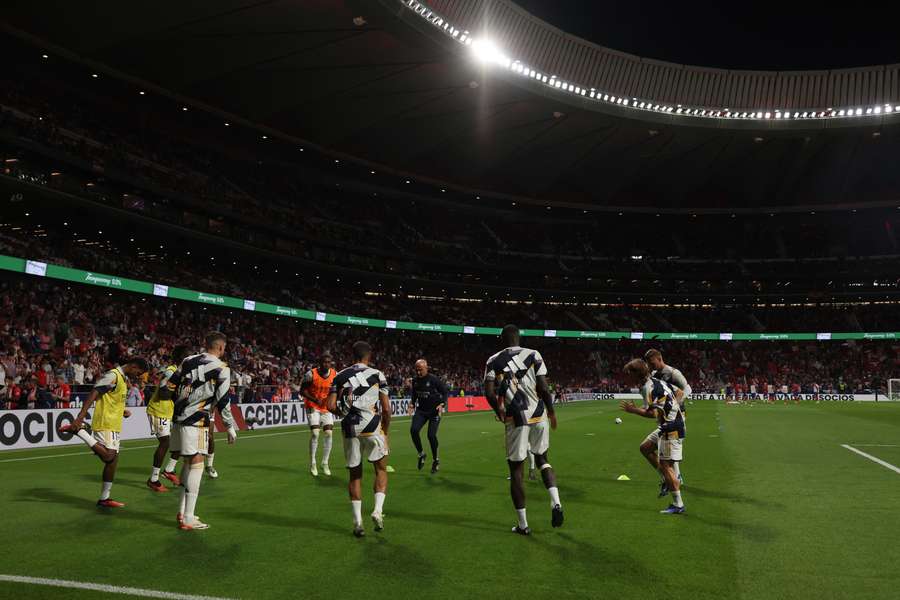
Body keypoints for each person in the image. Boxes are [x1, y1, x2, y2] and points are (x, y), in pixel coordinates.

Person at [483, 324, 563, 535]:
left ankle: (523, 525)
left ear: (502, 339)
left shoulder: (493, 360)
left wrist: (499, 410)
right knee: (543, 459)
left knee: (516, 470)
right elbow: (544, 388)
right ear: (519, 338)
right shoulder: (534, 354)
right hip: (539, 414)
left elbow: (489, 393)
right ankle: (555, 502)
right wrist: (552, 412)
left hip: (516, 418)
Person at [58, 357, 150, 508]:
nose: (138, 376)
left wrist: (122, 411)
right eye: (138, 372)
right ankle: (80, 431)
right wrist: (80, 417)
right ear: (133, 366)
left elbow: (111, 400)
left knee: (113, 462)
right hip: (105, 423)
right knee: (109, 456)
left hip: (113, 424)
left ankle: (104, 498)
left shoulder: (121, 378)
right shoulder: (113, 375)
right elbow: (95, 391)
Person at [169, 332, 237, 531]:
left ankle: (182, 512)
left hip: (178, 419)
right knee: (197, 464)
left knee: (188, 464)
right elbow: (223, 401)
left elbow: (169, 386)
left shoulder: (187, 360)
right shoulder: (222, 369)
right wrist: (230, 426)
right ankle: (188, 517)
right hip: (197, 421)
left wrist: (181, 404)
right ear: (221, 348)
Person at [326, 341, 391, 538]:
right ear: (368, 355)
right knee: (380, 469)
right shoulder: (378, 374)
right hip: (372, 427)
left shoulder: (339, 375)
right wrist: (385, 432)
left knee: (355, 475)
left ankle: (357, 523)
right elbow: (387, 408)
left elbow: (329, 406)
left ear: (352, 355)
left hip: (350, 428)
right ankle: (378, 511)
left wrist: (343, 411)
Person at [620, 358, 686, 515]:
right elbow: (679, 392)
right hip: (669, 425)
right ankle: (666, 479)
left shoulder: (647, 388)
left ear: (636, 374)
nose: (626, 377)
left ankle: (678, 504)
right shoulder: (655, 381)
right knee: (645, 448)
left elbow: (653, 413)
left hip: (670, 429)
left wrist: (633, 410)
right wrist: (672, 408)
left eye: (628, 374)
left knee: (666, 466)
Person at [643, 349, 691, 493]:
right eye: (648, 364)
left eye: (652, 363)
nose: (651, 367)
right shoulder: (653, 374)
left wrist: (677, 401)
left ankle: (673, 479)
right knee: (665, 447)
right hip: (663, 414)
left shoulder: (673, 373)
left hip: (676, 415)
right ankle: (672, 477)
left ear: (659, 359)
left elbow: (687, 388)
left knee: (668, 445)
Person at [146, 346, 189, 492]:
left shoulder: (181, 373)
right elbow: (164, 393)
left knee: (179, 441)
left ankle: (169, 470)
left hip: (168, 411)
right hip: (158, 410)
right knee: (165, 442)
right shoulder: (171, 371)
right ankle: (153, 480)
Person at [408, 358, 448, 473]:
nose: (418, 372)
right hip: (421, 411)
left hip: (434, 411)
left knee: (431, 436)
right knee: (414, 430)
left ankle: (436, 460)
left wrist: (442, 404)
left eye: (420, 370)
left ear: (426, 368)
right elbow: (414, 394)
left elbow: (445, 392)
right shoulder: (415, 380)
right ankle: (421, 454)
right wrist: (412, 404)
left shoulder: (434, 380)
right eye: (417, 370)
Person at [300, 353, 337, 476]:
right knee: (315, 433)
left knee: (328, 433)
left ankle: (325, 463)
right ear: (320, 363)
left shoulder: (334, 374)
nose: (327, 364)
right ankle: (313, 463)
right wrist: (315, 400)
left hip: (326, 407)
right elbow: (302, 390)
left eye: (329, 362)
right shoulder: (311, 374)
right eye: (324, 362)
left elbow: (335, 389)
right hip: (313, 406)